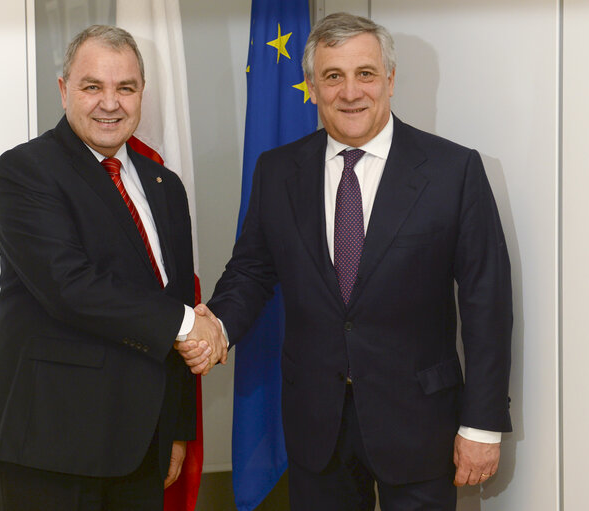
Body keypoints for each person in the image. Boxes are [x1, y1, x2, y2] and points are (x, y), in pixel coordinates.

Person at [177, 12, 512, 511]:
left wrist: (481, 423)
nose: (350, 92)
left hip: (421, 424)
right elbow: (252, 269)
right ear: (312, 86)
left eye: (366, 74)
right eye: (333, 76)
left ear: (391, 81)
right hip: (317, 425)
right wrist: (218, 326)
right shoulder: (277, 171)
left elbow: (487, 303)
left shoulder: (453, 170)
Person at [0, 25, 226, 511]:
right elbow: (70, 286)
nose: (110, 103)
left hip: (141, 446)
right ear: (64, 89)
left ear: (141, 94)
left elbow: (173, 295)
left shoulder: (165, 185)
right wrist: (188, 325)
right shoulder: (27, 170)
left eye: (125, 88)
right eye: (93, 86)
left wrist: (177, 430)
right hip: (51, 446)